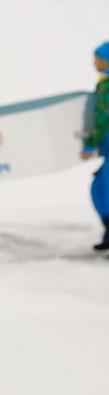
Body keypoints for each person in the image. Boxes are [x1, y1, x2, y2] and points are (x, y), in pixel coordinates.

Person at [81, 41, 109, 251]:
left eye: (98, 59)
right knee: (99, 188)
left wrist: (90, 144)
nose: (94, 63)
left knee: (104, 189)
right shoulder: (103, 84)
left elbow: (102, 119)